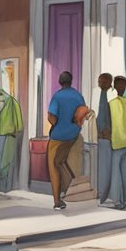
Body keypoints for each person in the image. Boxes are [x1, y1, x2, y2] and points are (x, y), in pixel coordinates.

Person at [46, 70, 85, 210]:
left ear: (60, 82)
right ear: (71, 81)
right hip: (73, 135)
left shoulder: (57, 97)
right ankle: (67, 191)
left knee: (53, 165)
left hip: (58, 136)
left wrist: (56, 124)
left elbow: (51, 118)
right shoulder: (78, 96)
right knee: (61, 162)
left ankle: (57, 201)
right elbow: (82, 114)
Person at [106, 75, 126, 210]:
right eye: (119, 85)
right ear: (114, 86)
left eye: (123, 85)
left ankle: (125, 201)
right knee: (117, 176)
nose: (121, 87)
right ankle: (117, 201)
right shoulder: (111, 103)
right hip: (117, 143)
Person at [0, 86, 24, 192]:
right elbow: (20, 123)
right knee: (8, 159)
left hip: (2, 132)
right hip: (12, 132)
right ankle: (7, 186)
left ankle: (1, 186)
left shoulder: (0, 100)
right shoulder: (13, 100)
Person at [95, 73, 116, 207]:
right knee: (103, 168)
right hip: (100, 137)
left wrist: (108, 132)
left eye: (103, 81)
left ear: (109, 83)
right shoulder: (99, 94)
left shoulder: (112, 96)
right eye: (99, 81)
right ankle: (103, 195)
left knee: (107, 167)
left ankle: (107, 195)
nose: (100, 83)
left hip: (109, 137)